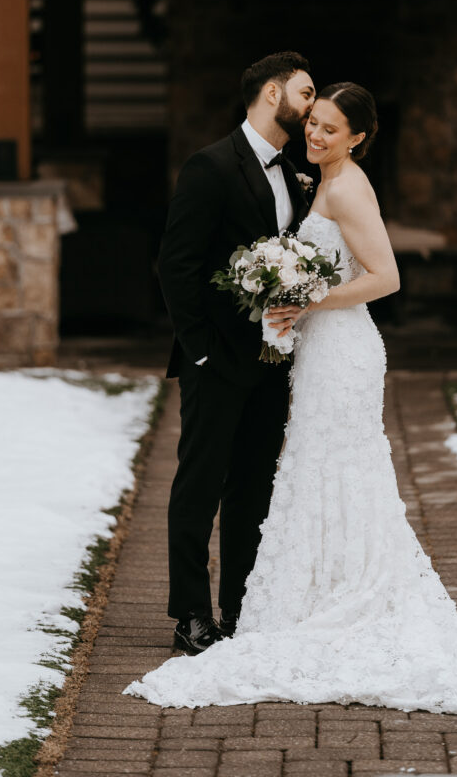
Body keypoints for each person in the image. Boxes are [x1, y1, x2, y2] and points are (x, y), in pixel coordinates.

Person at [127, 82, 457, 714]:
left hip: (343, 351)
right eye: (312, 122)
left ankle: (347, 597)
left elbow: (387, 276)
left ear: (357, 138)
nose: (315, 134)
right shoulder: (311, 179)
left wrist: (310, 300)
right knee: (314, 470)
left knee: (336, 467)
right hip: (314, 352)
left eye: (329, 128)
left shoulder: (345, 187)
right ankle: (308, 594)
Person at [157, 51, 315, 655]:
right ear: (273, 94)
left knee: (252, 486)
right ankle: (191, 613)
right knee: (200, 484)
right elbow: (177, 266)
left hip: (272, 361)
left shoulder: (297, 173)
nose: (311, 106)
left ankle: (242, 606)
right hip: (215, 360)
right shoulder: (210, 166)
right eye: (304, 94)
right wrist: (199, 352)